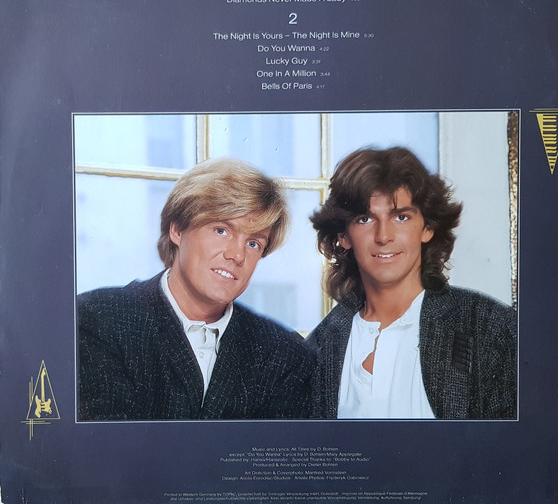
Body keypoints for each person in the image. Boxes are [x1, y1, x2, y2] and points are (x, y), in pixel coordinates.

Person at [78, 157, 314, 420]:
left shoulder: (285, 354)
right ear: (177, 230)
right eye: (221, 231)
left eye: (253, 244)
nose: (237, 255)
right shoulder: (99, 319)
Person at [307, 147, 516, 419]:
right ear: (343, 237)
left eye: (401, 217)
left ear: (427, 228)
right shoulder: (317, 349)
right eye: (365, 219)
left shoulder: (490, 328)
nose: (384, 236)